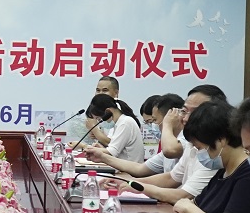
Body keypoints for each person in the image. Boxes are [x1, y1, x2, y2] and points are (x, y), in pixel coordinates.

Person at [88, 87, 221, 203]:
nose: (185, 118)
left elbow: (183, 194)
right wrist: (128, 182)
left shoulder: (212, 152)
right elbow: (170, 177)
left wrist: (167, 125)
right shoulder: (192, 146)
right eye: (184, 111)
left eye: (154, 121)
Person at [172, 101, 250, 213]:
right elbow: (190, 205)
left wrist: (189, 209)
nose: (199, 153)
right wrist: (190, 211)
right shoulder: (223, 170)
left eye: (199, 148)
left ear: (221, 140)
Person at [82, 93, 144, 163]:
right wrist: (101, 149)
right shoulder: (119, 123)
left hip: (131, 168)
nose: (100, 122)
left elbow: (113, 152)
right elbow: (115, 151)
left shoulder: (125, 123)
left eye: (99, 119)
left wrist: (90, 149)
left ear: (108, 112)